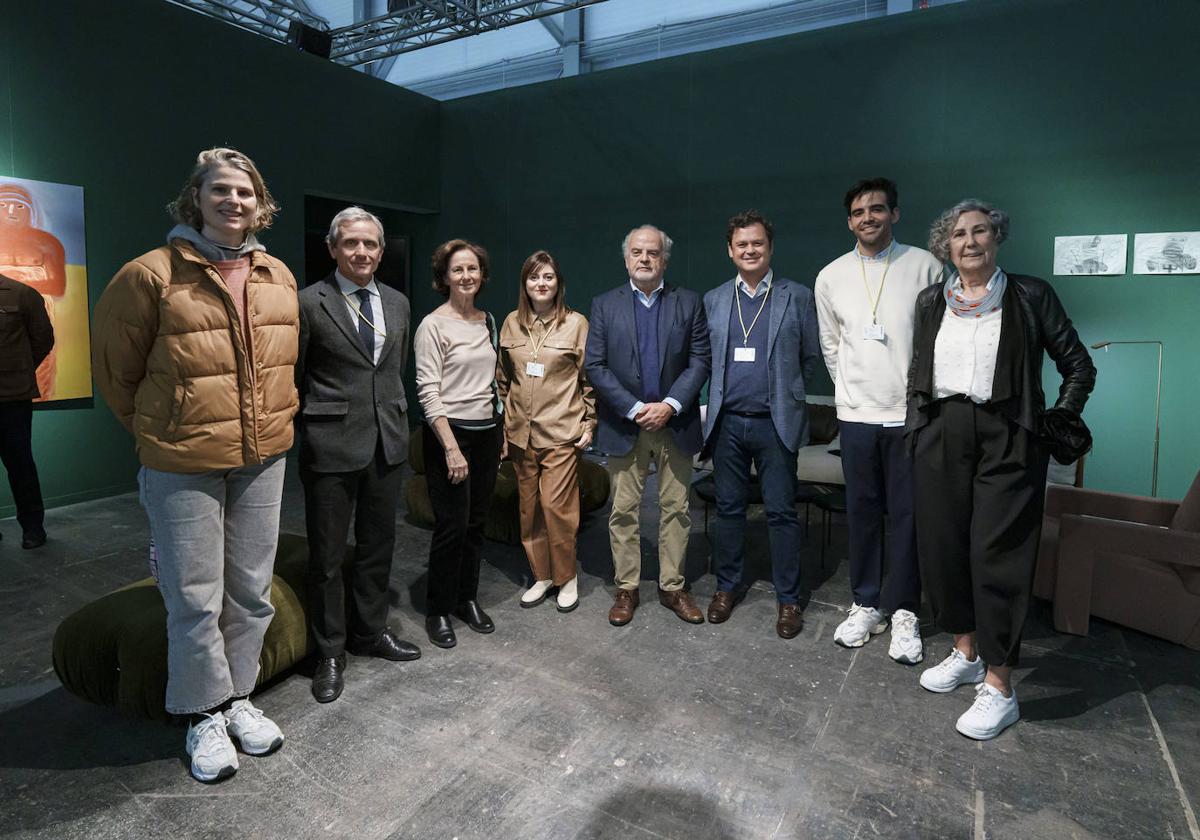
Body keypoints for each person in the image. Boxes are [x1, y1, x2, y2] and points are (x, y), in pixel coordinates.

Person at [92, 148, 297, 782]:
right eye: (221, 191)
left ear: (259, 203)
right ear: (196, 199)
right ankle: (202, 713)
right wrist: (167, 431)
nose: (234, 201)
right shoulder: (150, 275)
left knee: (251, 592)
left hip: (262, 460)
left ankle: (236, 698)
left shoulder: (277, 274)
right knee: (194, 596)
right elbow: (116, 374)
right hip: (183, 464)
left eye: (245, 191)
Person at [907, 198, 1095, 740]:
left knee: (999, 556)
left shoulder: (1030, 295)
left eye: (981, 231)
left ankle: (999, 684)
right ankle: (965, 649)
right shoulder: (929, 301)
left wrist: (1057, 418)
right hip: (941, 431)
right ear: (947, 246)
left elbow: (1078, 364)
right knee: (943, 549)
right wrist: (916, 428)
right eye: (959, 235)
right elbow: (920, 368)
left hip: (1008, 434)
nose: (970, 242)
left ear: (997, 238)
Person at [814, 178, 943, 662]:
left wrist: (921, 400)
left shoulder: (925, 266)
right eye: (859, 212)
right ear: (849, 220)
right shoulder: (830, 277)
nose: (868, 217)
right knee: (862, 513)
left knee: (908, 516)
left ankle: (905, 609)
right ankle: (866, 602)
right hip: (856, 415)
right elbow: (831, 345)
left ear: (894, 214)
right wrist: (847, 392)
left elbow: (935, 338)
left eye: (877, 209)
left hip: (908, 415)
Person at [296, 207, 421, 705]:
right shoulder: (308, 303)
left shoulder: (397, 302)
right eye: (351, 243)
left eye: (371, 244)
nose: (362, 252)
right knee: (326, 557)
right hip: (330, 445)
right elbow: (295, 374)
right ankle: (330, 650)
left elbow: (393, 369)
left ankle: (370, 633)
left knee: (378, 546)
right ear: (333, 248)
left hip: (386, 441)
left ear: (381, 249)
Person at [701, 210, 821, 639]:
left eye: (757, 243)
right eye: (741, 245)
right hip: (728, 423)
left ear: (770, 248)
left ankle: (788, 599)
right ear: (730, 250)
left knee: (782, 514)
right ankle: (727, 587)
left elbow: (809, 357)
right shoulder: (714, 299)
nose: (749, 250)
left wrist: (786, 393)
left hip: (776, 424)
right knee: (729, 510)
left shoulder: (797, 296)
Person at [584, 225, 711, 627]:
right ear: (626, 259)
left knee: (676, 508)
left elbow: (700, 361)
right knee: (623, 510)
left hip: (676, 421)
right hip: (626, 424)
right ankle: (627, 587)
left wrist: (670, 405)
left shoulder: (689, 303)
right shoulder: (605, 305)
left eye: (652, 253)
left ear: (664, 259)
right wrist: (637, 407)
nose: (644, 258)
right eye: (637, 252)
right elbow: (596, 366)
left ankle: (673, 587)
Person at [414, 239, 502, 649]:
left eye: (473, 269)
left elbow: (493, 382)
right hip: (450, 435)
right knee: (451, 527)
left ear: (482, 275)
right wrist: (451, 447)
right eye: (457, 270)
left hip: (487, 433)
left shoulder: (487, 320)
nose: (466, 276)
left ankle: (467, 598)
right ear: (444, 277)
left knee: (476, 524)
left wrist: (499, 431)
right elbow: (427, 391)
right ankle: (438, 610)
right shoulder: (433, 325)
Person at [496, 250, 596, 613]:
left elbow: (589, 379)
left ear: (559, 283)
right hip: (521, 435)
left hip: (561, 433)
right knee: (529, 510)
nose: (541, 283)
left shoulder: (576, 324)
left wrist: (590, 422)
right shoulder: (510, 323)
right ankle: (541, 575)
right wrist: (505, 423)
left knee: (557, 508)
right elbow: (502, 379)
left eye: (548, 277)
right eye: (534, 277)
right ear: (525, 283)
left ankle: (565, 577)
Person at [0, 272, 53, 548]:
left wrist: (19, 371)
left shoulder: (22, 294)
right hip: (12, 392)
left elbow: (43, 339)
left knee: (20, 465)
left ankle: (33, 528)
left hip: (11, 399)